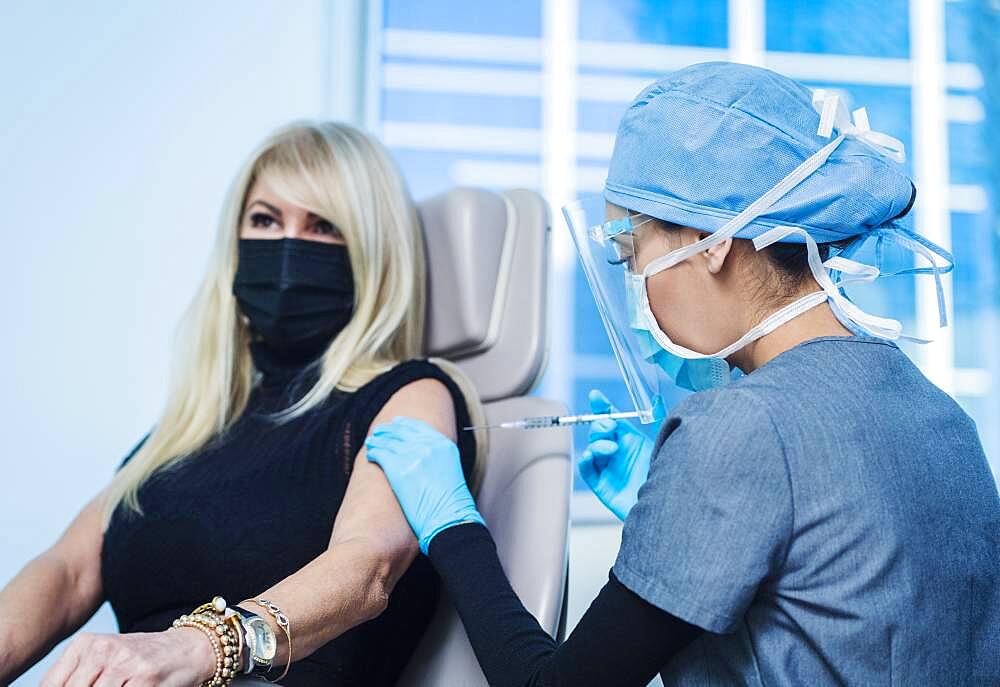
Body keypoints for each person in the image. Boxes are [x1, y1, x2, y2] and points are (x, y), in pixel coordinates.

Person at [364, 62, 1000, 686]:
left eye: (630, 251)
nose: (633, 283)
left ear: (711, 239)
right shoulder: (936, 410)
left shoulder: (738, 425)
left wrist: (453, 526)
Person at [0, 121, 485, 687]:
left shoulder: (410, 396)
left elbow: (367, 566)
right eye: (265, 219)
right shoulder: (194, 424)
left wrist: (202, 645)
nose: (286, 248)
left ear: (372, 254)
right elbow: (67, 570)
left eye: (323, 225)